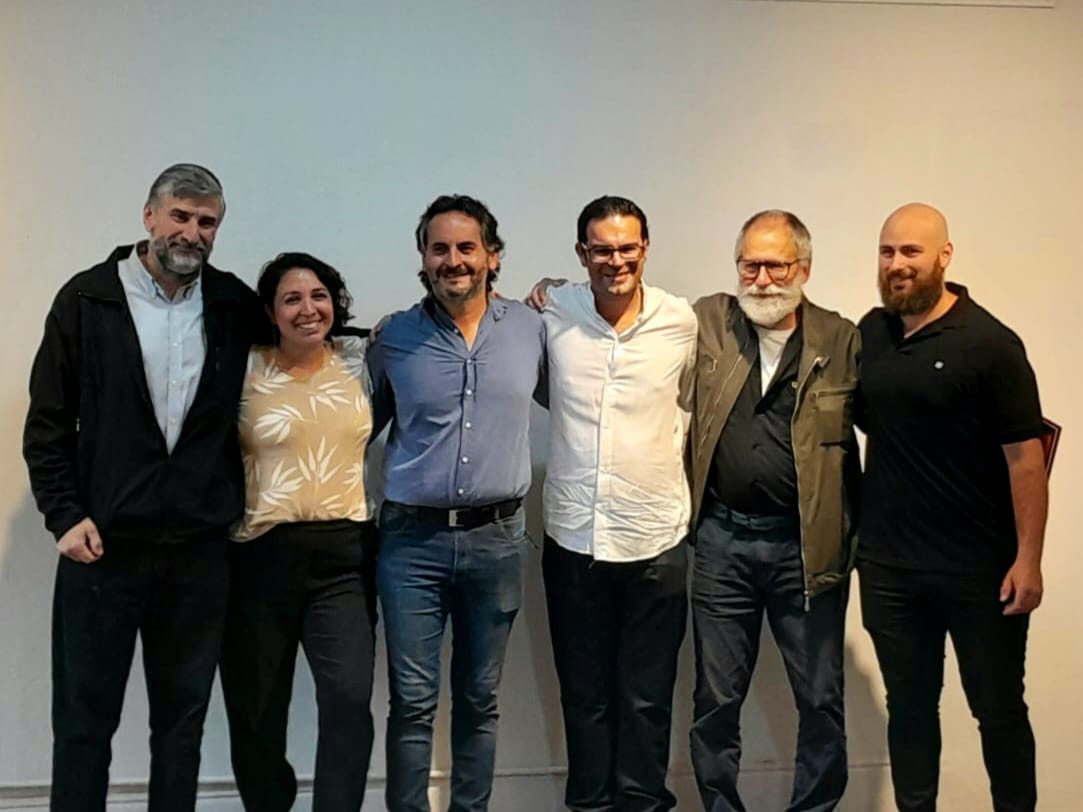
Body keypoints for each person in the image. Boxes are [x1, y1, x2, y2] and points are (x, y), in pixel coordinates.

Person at [22, 163, 264, 811]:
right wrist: (63, 515)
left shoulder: (234, 304)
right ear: (149, 216)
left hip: (198, 554)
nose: (191, 232)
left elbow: (304, 341)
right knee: (83, 723)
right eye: (179, 216)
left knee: (182, 727)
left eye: (206, 222)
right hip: (101, 548)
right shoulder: (86, 299)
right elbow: (47, 421)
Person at [857, 203, 1048, 812]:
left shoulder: (990, 343)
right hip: (890, 570)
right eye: (888, 251)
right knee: (909, 710)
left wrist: (1029, 559)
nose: (897, 264)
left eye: (911, 251)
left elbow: (1027, 460)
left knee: (998, 711)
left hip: (980, 571)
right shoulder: (871, 334)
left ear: (944, 256)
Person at [367, 194, 546, 812]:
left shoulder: (531, 329)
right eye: (439, 248)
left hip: (497, 542)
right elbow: (354, 427)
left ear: (492, 256)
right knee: (413, 703)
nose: (453, 260)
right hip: (410, 545)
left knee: (479, 699)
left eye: (467, 247)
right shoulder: (395, 337)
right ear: (423, 258)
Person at [687, 210, 860, 812]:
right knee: (715, 700)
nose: (761, 280)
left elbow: (897, 420)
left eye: (775, 266)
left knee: (820, 699)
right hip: (721, 544)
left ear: (804, 268)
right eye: (749, 265)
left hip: (806, 550)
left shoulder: (841, 340)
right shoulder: (707, 322)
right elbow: (633, 313)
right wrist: (557, 293)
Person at [533, 195, 697, 811]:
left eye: (627, 248)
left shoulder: (682, 322)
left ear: (645, 249)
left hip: (656, 540)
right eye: (602, 250)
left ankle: (643, 804)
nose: (616, 261)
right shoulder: (554, 312)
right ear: (582, 254)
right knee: (585, 697)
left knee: (647, 699)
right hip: (574, 538)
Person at [219, 252, 379, 811]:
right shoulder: (241, 367)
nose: (308, 309)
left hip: (344, 562)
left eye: (319, 296)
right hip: (258, 561)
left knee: (349, 701)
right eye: (291, 299)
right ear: (270, 311)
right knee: (256, 713)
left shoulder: (362, 359)